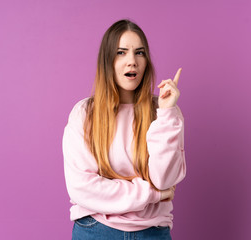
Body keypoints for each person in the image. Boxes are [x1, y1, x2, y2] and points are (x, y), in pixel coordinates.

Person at [62, 19, 186, 240]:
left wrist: (166, 113)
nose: (132, 61)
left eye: (140, 53)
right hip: (96, 230)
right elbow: (82, 188)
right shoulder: (84, 113)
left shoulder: (165, 112)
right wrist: (153, 194)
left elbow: (165, 180)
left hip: (153, 232)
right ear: (107, 60)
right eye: (121, 52)